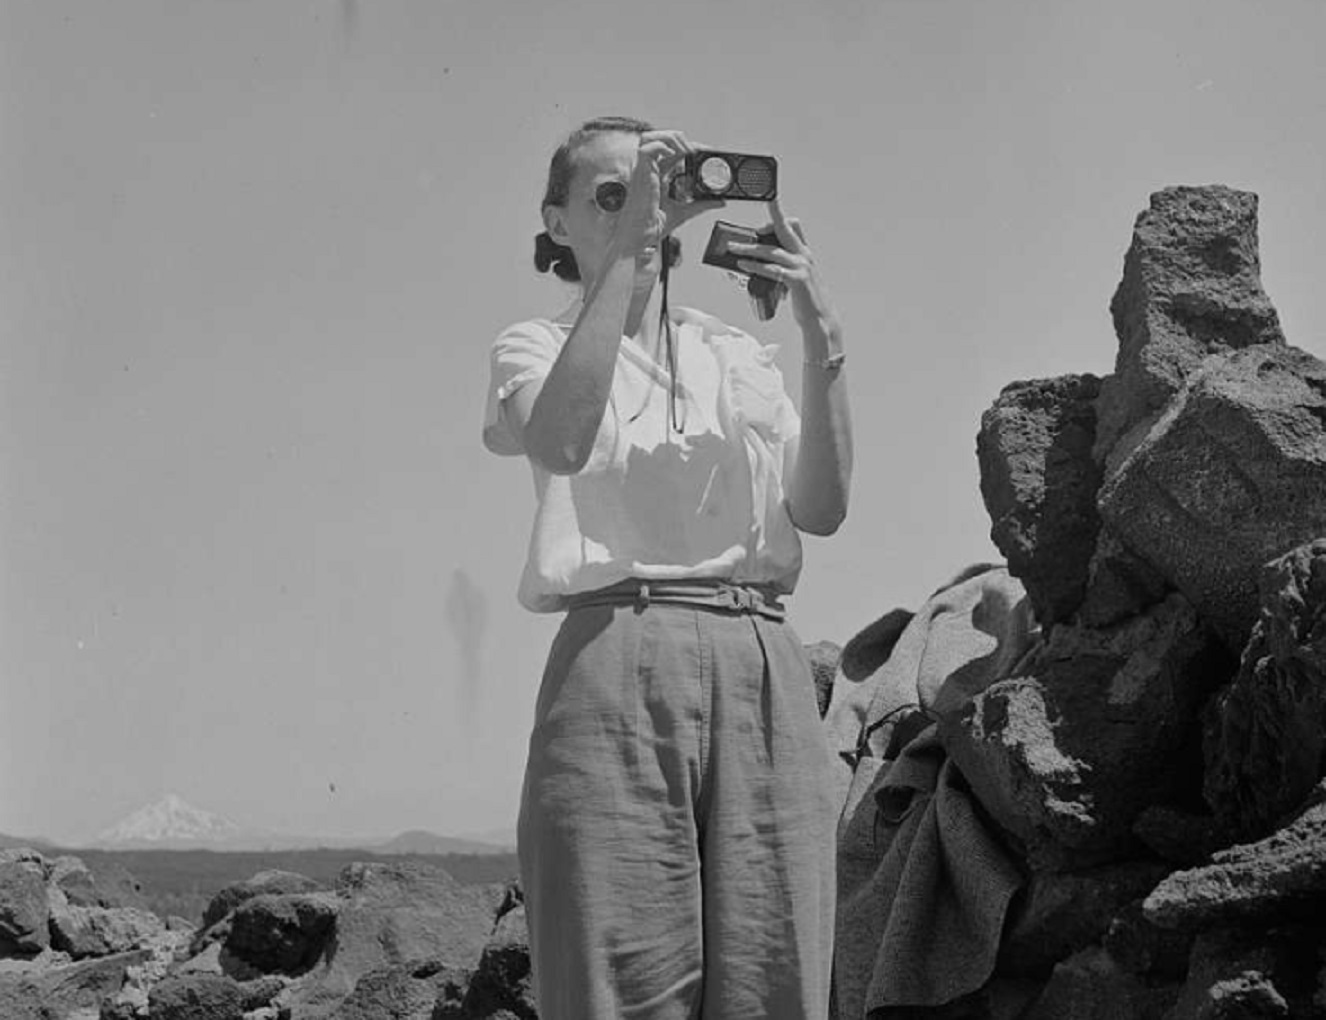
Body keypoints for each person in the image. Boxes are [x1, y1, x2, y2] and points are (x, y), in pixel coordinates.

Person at [482, 115, 853, 1020]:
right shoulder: (532, 346)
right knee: (615, 981)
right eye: (609, 197)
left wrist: (822, 339)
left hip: (760, 657)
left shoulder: (736, 354)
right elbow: (564, 440)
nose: (637, 209)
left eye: (646, 190)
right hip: (616, 652)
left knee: (779, 977)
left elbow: (823, 509)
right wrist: (635, 257)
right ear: (557, 221)